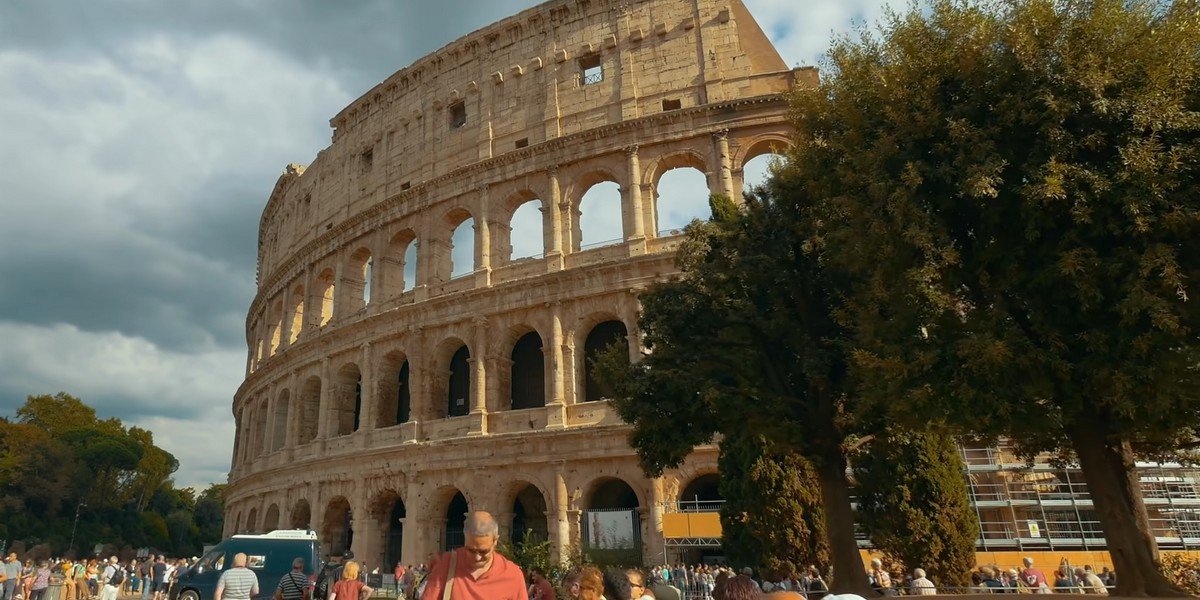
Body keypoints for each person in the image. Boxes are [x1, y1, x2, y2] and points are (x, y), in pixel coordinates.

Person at [419, 511, 528, 599]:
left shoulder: (512, 575)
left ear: (495, 541)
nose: (477, 557)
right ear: (465, 538)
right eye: (470, 550)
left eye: (483, 551)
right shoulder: (447, 565)